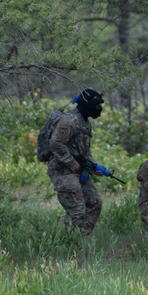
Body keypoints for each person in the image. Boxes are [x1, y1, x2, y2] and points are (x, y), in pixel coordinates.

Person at [43, 88, 105, 236]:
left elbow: (84, 151)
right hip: (61, 170)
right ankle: (70, 244)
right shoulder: (69, 121)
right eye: (96, 104)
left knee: (95, 202)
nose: (99, 108)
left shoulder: (85, 123)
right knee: (76, 210)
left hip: (77, 171)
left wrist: (92, 166)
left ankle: (81, 240)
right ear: (85, 104)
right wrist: (71, 163)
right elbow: (56, 144)